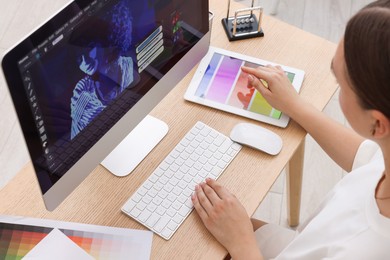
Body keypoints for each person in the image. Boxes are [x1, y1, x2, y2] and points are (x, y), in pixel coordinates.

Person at [191, 0, 390, 259]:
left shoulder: (366, 249)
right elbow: (366, 157)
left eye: (341, 84)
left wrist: (242, 243)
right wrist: (294, 104)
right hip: (304, 245)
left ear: (378, 124)